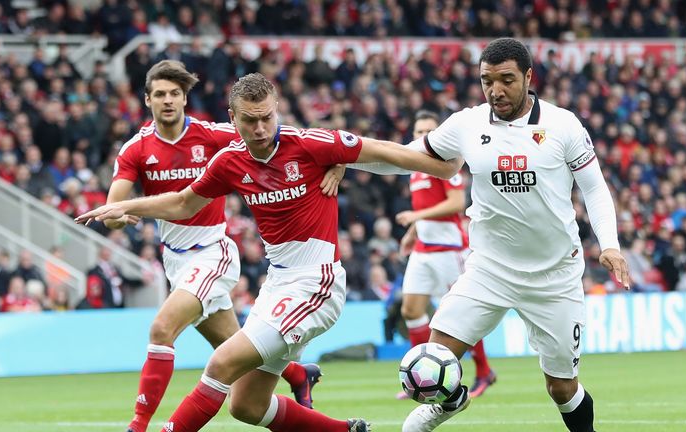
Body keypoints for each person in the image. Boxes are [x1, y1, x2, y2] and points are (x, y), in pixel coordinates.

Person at [76, 73, 457, 432]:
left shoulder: (309, 143)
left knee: (221, 362)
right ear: (232, 118)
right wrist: (126, 207)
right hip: (278, 284)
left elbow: (383, 151)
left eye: (267, 118)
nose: (260, 129)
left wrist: (443, 167)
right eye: (249, 121)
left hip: (316, 282)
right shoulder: (229, 161)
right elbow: (182, 204)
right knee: (246, 405)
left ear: (277, 109)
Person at [400, 38, 630, 432]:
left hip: (554, 276)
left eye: (506, 79)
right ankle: (452, 401)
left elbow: (593, 187)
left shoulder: (562, 124)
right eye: (487, 80)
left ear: (527, 76)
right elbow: (409, 154)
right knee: (433, 354)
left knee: (560, 387)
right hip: (489, 269)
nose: (496, 90)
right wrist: (346, 159)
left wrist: (609, 244)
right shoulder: (467, 123)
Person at [102, 61, 337, 432]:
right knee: (232, 345)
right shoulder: (136, 149)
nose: (168, 101)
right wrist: (117, 216)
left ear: (184, 98)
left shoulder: (213, 135)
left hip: (213, 250)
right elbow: (115, 203)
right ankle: (296, 373)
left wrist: (334, 162)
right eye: (160, 94)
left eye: (175, 94)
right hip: (176, 260)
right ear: (147, 100)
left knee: (162, 329)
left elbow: (283, 140)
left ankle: (137, 426)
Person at [394, 110, 496, 401]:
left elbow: (455, 203)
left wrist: (416, 215)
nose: (423, 136)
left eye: (429, 131)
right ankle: (418, 378)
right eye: (418, 132)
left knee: (464, 317)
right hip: (424, 249)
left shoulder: (445, 163)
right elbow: (425, 205)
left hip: (451, 251)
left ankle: (484, 371)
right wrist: (412, 231)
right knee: (411, 310)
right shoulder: (414, 168)